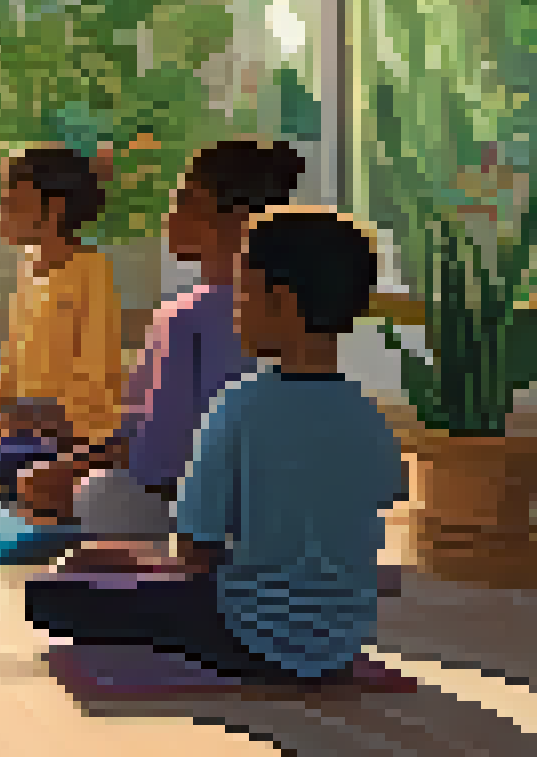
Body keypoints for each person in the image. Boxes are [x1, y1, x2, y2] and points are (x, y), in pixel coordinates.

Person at [24, 207, 403, 687]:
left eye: (242, 292)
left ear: (278, 301)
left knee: (53, 591)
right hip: (339, 640)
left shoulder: (240, 403)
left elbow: (195, 555)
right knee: (109, 563)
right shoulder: (365, 411)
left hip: (244, 634)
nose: (235, 309)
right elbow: (378, 502)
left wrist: (124, 558)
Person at [18, 141, 304, 545]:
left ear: (229, 219)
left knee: (63, 489)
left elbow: (158, 460)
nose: (170, 216)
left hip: (189, 503)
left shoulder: (187, 314)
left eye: (182, 201)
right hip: (265, 505)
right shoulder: (283, 310)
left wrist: (78, 466)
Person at [0, 147, 125, 490]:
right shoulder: (27, 270)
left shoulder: (91, 273)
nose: (0, 214)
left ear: (53, 210)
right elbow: (12, 368)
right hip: (26, 421)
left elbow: (92, 390)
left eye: (12, 205)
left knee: (3, 458)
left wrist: (13, 419)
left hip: (73, 430)